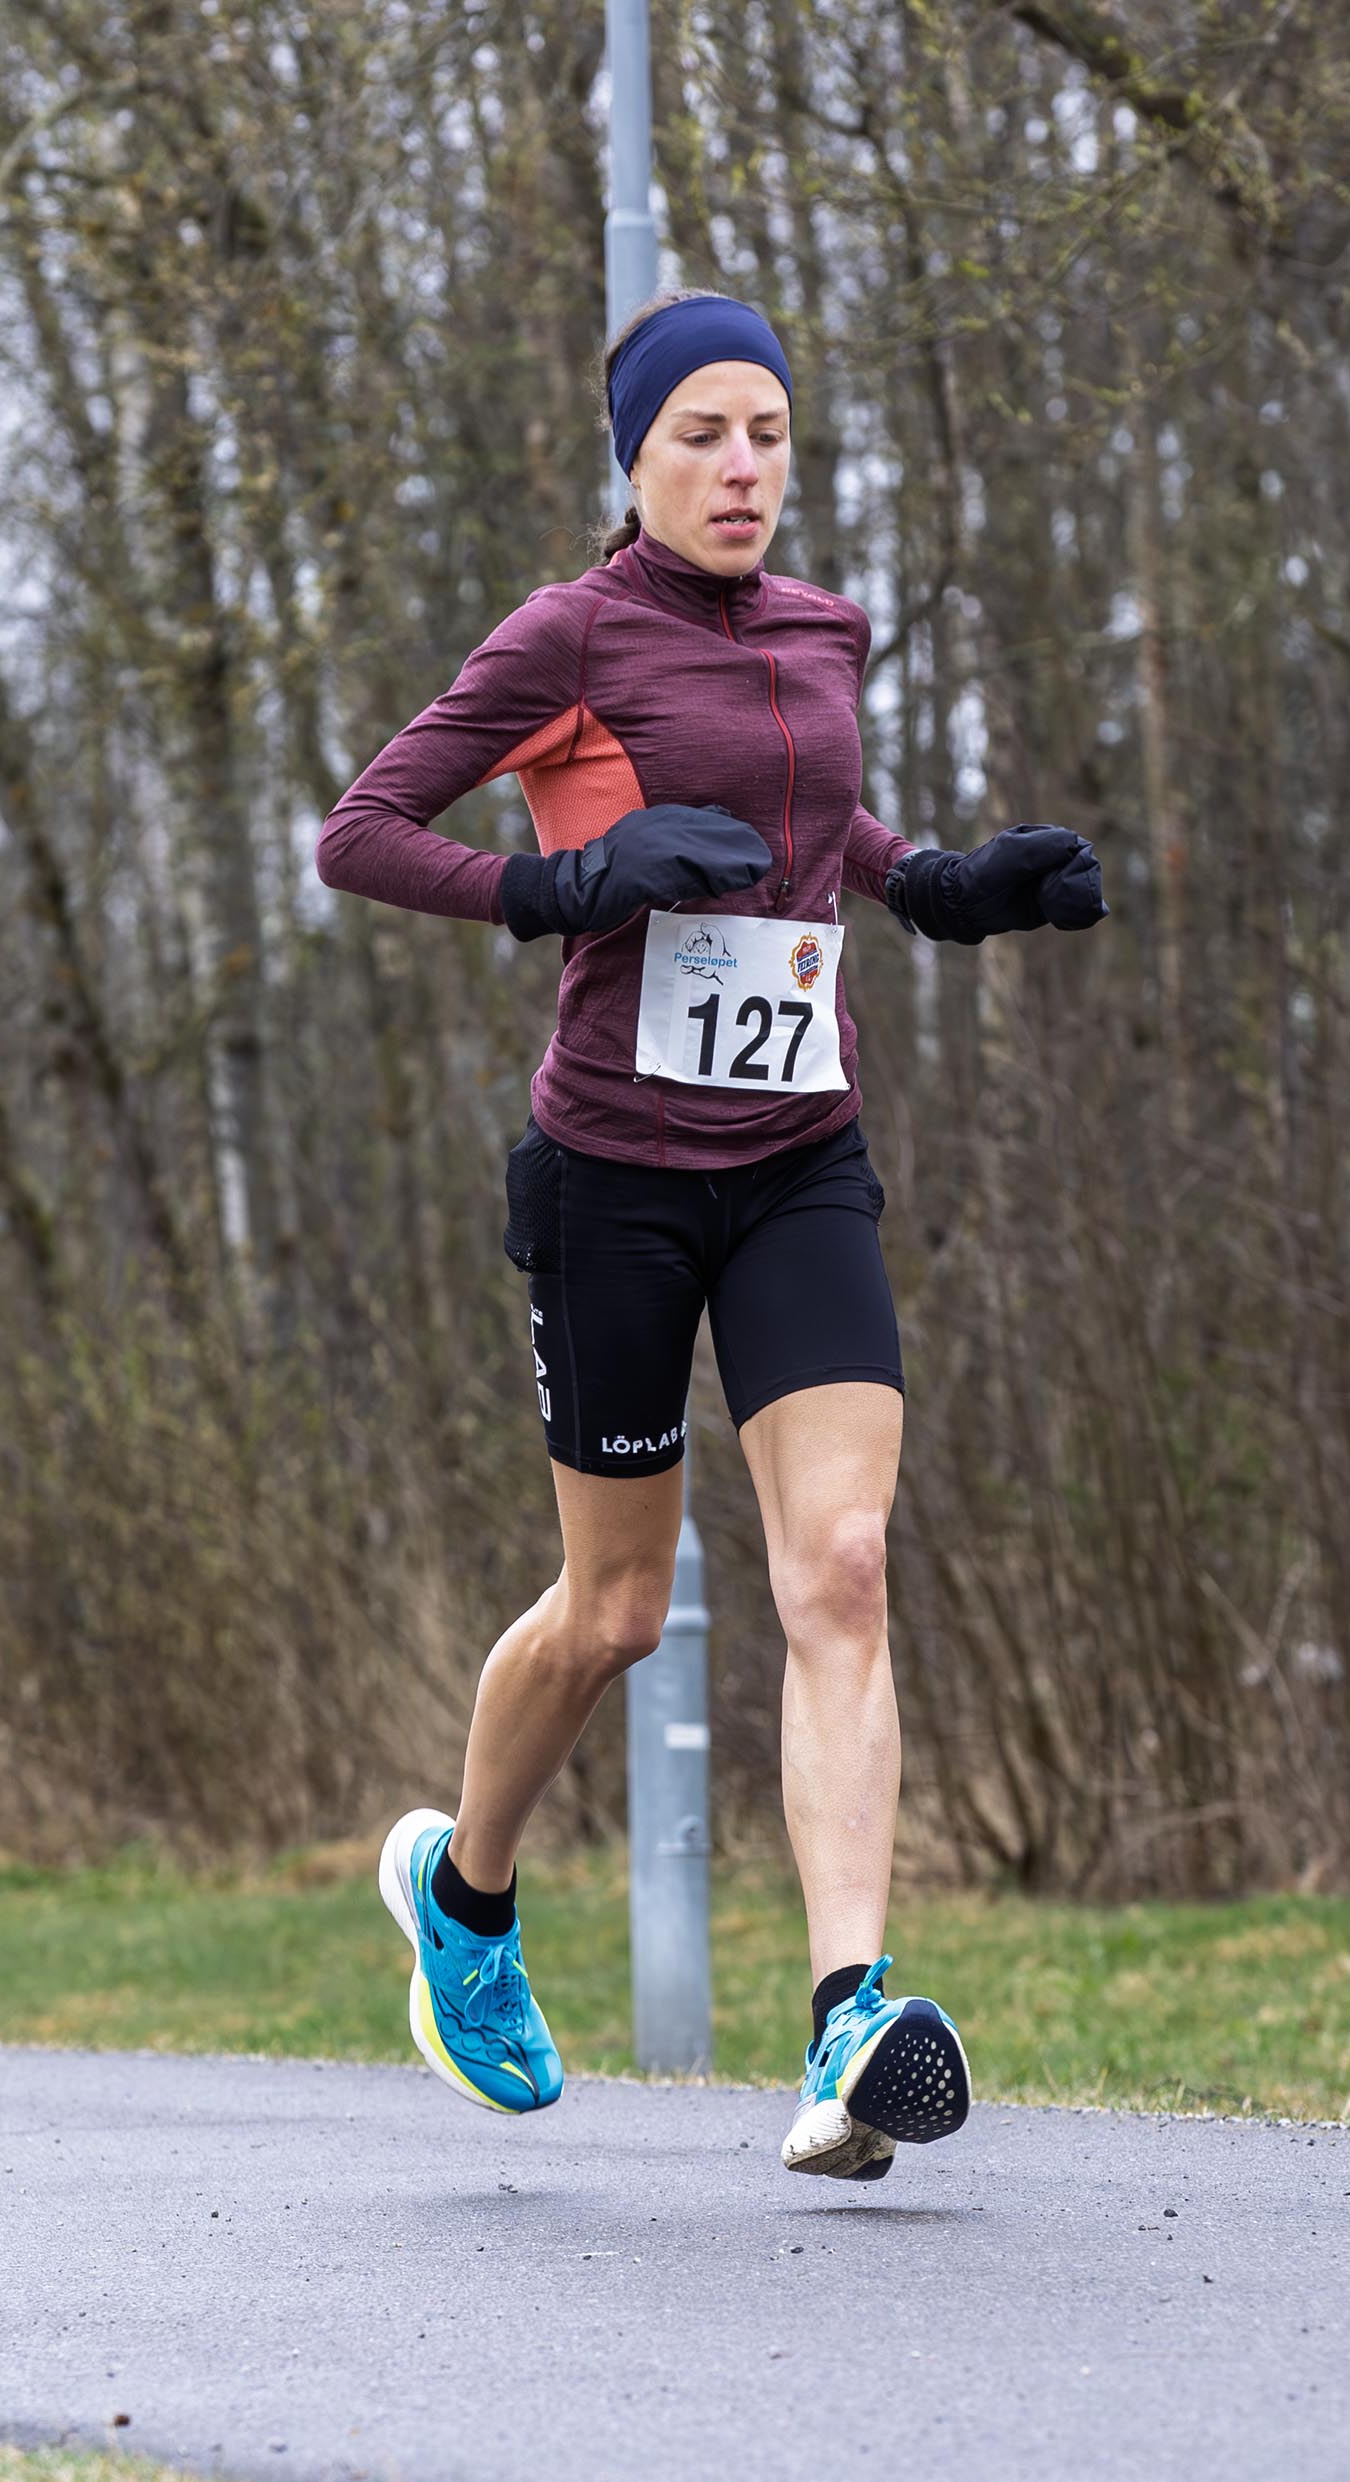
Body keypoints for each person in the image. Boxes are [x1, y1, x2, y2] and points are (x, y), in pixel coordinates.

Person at [314, 289, 1106, 2180]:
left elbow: (821, 825)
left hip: (799, 1158)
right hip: (612, 1174)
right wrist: (566, 882)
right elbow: (363, 831)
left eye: (769, 433)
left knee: (843, 1562)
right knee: (613, 1613)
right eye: (703, 436)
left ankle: (850, 2022)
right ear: (638, 458)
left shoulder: (825, 629)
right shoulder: (571, 635)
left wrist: (940, 885)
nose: (744, 467)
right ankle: (465, 1903)